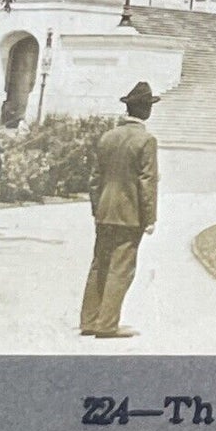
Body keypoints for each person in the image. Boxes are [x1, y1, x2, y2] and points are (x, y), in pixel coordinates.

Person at [80, 81, 159, 339]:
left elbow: (94, 178)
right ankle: (107, 325)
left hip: (104, 211)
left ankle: (89, 321)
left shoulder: (107, 137)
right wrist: (150, 218)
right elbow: (146, 181)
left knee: (99, 264)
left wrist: (97, 208)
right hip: (130, 214)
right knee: (121, 268)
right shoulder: (146, 140)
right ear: (145, 110)